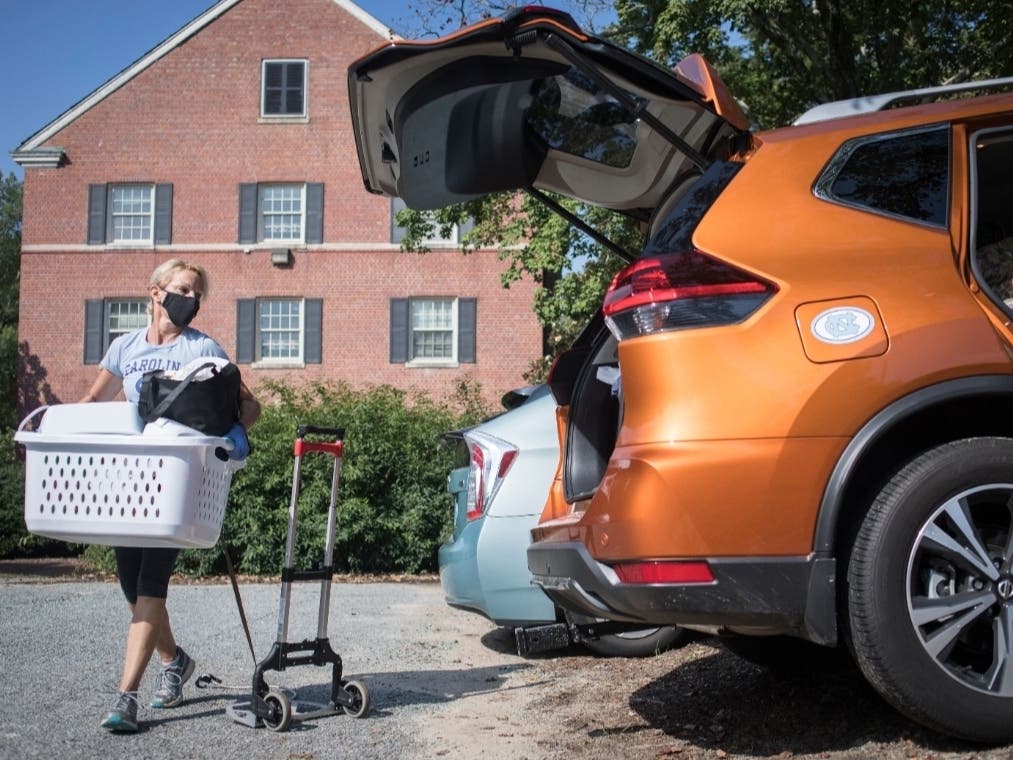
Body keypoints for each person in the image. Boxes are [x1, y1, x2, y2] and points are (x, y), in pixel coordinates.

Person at [80, 258, 261, 733]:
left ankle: (126, 697)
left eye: (198, 294)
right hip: (126, 481)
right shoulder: (125, 347)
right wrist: (51, 426)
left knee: (149, 587)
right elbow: (92, 403)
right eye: (184, 289)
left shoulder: (203, 348)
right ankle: (175, 660)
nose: (192, 300)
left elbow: (248, 402)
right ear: (157, 292)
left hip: (173, 485)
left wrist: (235, 427)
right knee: (131, 586)